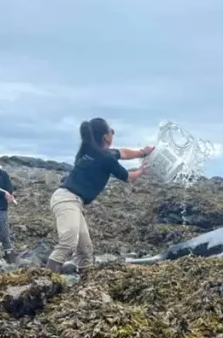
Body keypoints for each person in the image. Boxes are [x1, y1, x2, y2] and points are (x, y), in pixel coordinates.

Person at [46, 118, 153, 275]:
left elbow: (123, 153)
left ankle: (85, 281)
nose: (113, 133)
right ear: (105, 136)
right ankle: (45, 281)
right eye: (111, 131)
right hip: (66, 199)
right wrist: (142, 171)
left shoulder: (89, 151)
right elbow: (127, 177)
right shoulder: (105, 157)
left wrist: (143, 152)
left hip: (74, 202)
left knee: (85, 248)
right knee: (68, 243)